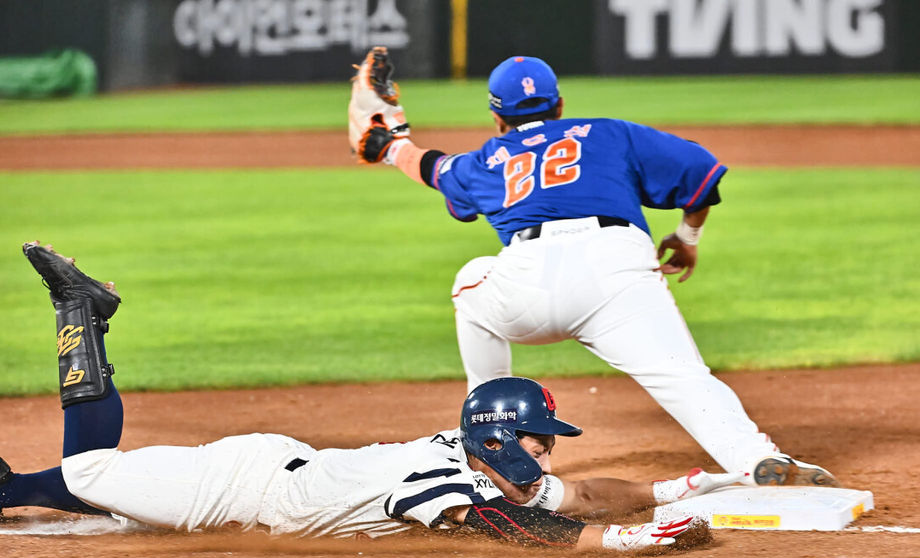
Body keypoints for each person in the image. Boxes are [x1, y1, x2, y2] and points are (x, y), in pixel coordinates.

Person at [0, 242, 740, 552]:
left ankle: (0, 488)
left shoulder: (488, 463)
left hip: (276, 473)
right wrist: (620, 545)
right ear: (497, 437)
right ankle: (81, 314)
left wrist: (671, 489)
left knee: (110, 492)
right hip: (238, 485)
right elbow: (509, 526)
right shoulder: (464, 486)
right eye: (537, 440)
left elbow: (589, 492)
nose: (547, 452)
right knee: (95, 471)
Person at [348, 48, 838, 488]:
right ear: (559, 105)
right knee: (682, 376)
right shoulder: (608, 133)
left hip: (527, 282)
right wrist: (686, 238)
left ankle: (491, 443)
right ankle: (758, 461)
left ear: (497, 117)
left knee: (471, 281)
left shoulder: (490, 158)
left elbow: (434, 167)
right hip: (617, 270)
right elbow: (700, 173)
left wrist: (388, 146)